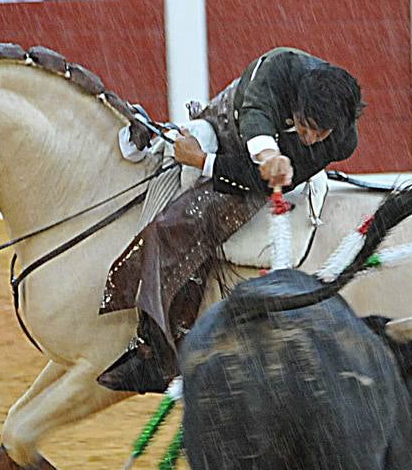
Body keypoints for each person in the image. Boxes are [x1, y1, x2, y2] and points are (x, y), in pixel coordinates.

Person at [98, 47, 364, 394]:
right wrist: (268, 155)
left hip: (239, 169)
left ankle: (155, 354)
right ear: (295, 104)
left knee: (174, 229)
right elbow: (255, 117)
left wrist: (203, 162)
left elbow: (258, 182)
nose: (310, 138)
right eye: (305, 126)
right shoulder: (278, 69)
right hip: (225, 122)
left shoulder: (342, 139)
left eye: (320, 133)